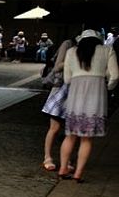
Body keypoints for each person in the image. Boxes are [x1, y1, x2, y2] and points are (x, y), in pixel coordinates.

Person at [59, 28, 119, 182]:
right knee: (86, 139)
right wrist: (108, 87)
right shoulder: (107, 50)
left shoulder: (72, 51)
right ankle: (78, 173)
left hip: (76, 94)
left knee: (70, 135)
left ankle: (63, 168)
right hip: (96, 95)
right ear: (98, 40)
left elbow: (66, 79)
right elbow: (115, 76)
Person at [40, 36, 76, 172]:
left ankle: (67, 160)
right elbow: (57, 67)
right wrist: (73, 62)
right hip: (60, 87)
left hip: (76, 90)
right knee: (54, 128)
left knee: (71, 130)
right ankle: (47, 157)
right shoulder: (68, 43)